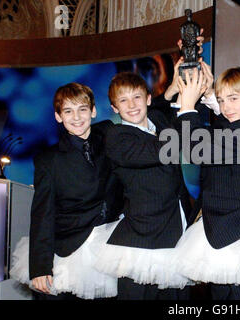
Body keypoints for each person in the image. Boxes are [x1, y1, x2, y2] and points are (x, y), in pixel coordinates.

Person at [10, 83, 123, 300]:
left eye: (82, 109)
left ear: (93, 111)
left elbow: (138, 109)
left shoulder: (109, 134)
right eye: (68, 111)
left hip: (108, 244)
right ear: (58, 116)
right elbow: (43, 214)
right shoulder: (48, 160)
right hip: (68, 249)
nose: (77, 117)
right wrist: (40, 267)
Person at [172, 64, 240, 300]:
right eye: (222, 100)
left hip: (239, 231)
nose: (227, 106)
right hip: (219, 229)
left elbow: (197, 149)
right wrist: (209, 95)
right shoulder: (239, 126)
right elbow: (225, 125)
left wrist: (187, 107)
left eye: (233, 98)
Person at [91, 71, 192, 300]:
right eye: (123, 100)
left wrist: (175, 84)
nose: (131, 105)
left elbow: (160, 106)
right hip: (141, 240)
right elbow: (162, 149)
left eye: (137, 97)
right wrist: (187, 107)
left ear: (147, 98)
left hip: (177, 233)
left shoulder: (159, 120)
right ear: (115, 108)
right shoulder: (117, 136)